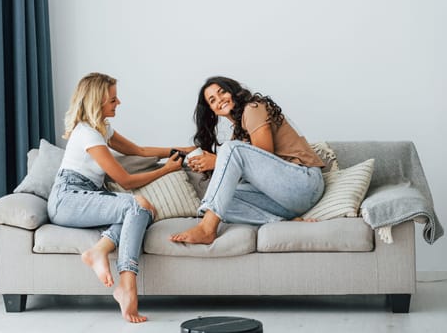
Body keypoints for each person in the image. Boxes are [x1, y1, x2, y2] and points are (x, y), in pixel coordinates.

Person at [47, 72, 190, 323]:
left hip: (87, 195)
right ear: (97, 102)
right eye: (113, 100)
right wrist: (166, 169)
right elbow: (124, 181)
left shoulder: (102, 128)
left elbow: (139, 151)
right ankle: (127, 286)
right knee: (138, 207)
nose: (119, 103)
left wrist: (179, 150)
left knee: (144, 211)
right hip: (67, 199)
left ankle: (98, 251)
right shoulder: (87, 134)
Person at [170, 76, 325, 245]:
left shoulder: (253, 108)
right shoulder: (238, 133)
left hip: (305, 183)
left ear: (233, 91)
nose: (219, 100)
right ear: (212, 110)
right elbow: (251, 175)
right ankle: (284, 223)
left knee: (231, 149)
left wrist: (218, 160)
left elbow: (264, 155)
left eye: (222, 92)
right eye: (212, 100)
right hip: (285, 201)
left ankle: (207, 229)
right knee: (221, 200)